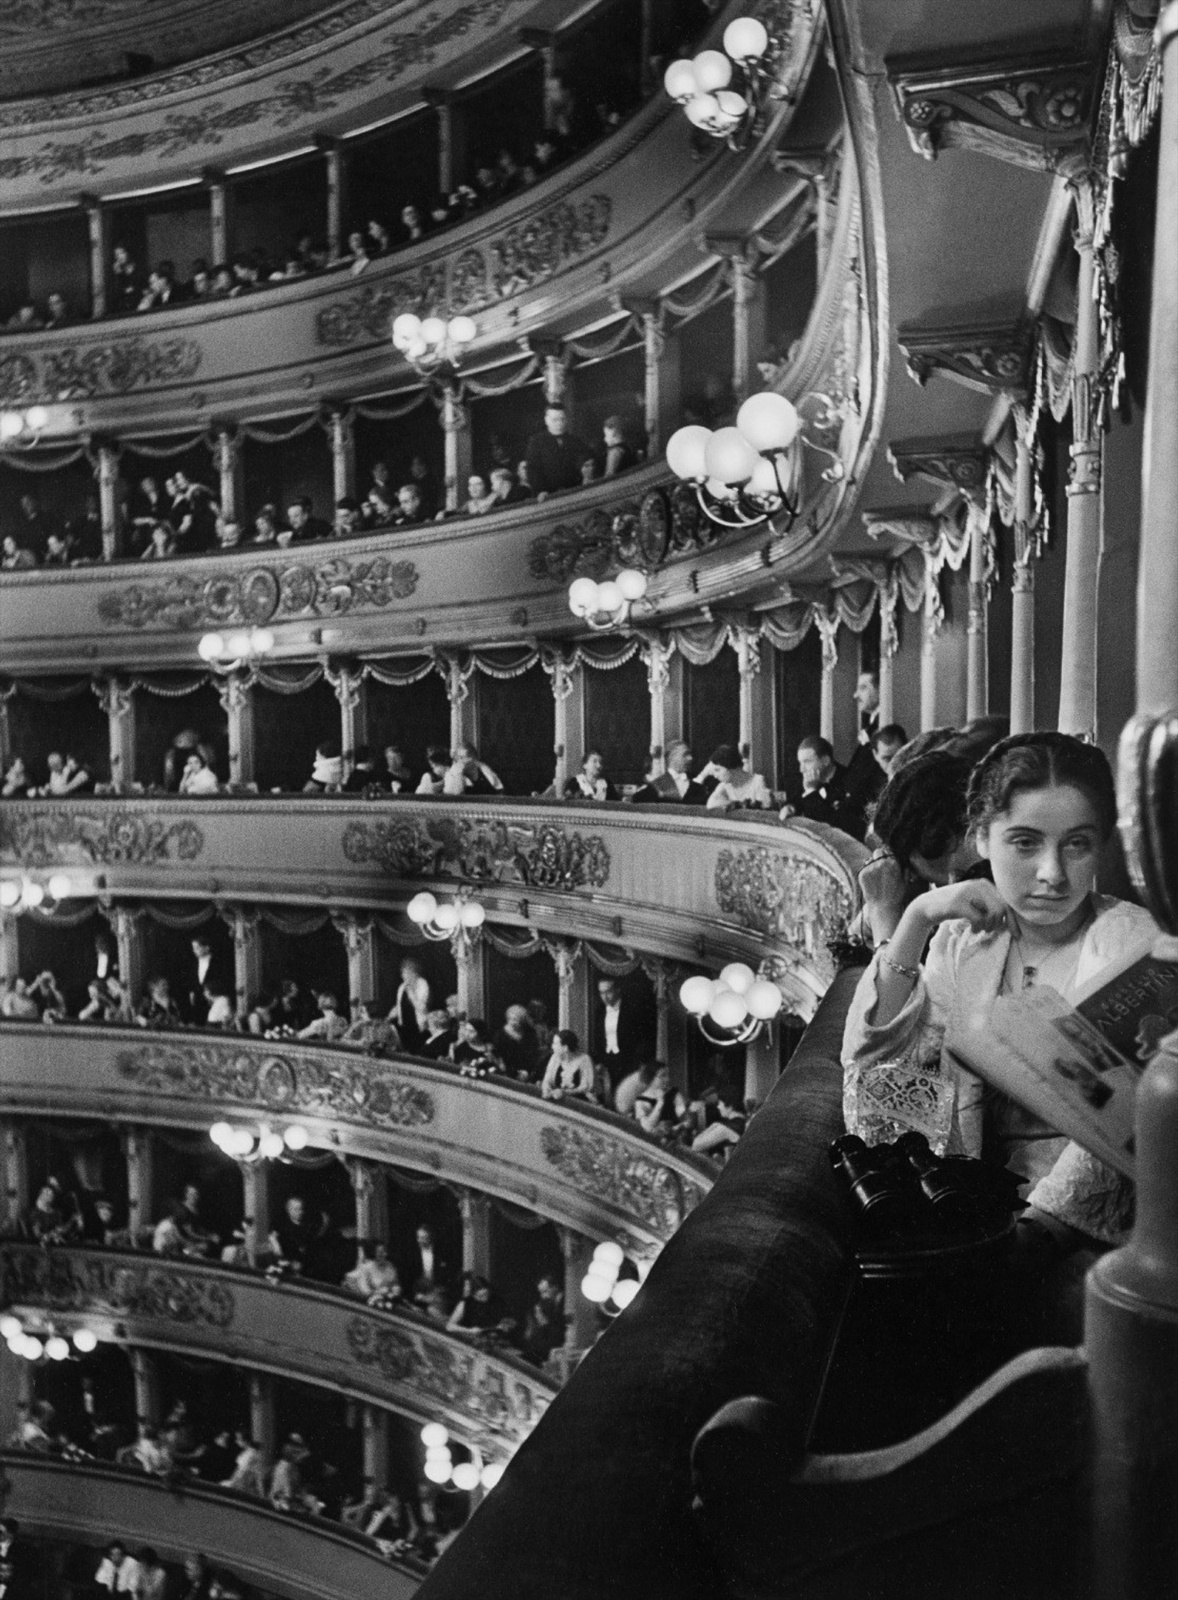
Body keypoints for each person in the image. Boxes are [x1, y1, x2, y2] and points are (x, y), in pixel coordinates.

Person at [842, 733, 1159, 1252]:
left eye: (1077, 844)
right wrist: (918, 920)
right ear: (983, 838)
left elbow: (1127, 1136)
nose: (1052, 875)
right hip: (977, 1219)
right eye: (1025, 842)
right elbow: (878, 1091)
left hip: (1094, 1236)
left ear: (1101, 842)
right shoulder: (963, 942)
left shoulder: (1137, 945)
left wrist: (1035, 1234)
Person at [780, 736, 859, 835]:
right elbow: (795, 800)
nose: (801, 769)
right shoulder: (802, 779)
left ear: (826, 760)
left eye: (807, 762)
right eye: (800, 762)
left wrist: (811, 791)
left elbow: (834, 825)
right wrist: (791, 807)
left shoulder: (850, 782)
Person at [594, 977, 653, 1093]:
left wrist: (638, 1063)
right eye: (601, 993)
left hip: (630, 1063)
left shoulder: (633, 1009)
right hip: (607, 1063)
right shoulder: (600, 1011)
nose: (605, 997)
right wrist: (599, 1061)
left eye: (608, 992)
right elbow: (598, 1039)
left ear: (617, 990)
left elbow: (645, 1038)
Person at [524, 404, 595, 498]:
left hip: (574, 493)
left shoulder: (575, 441)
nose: (559, 423)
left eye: (562, 419)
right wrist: (540, 491)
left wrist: (586, 475)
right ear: (547, 420)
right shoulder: (536, 441)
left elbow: (585, 461)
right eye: (555, 420)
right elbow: (532, 469)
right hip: (547, 496)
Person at [629, 740, 710, 805]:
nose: (690, 758)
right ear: (672, 757)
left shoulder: (699, 782)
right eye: (685, 754)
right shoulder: (657, 785)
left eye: (690, 754)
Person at [517, 1273, 567, 1366]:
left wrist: (545, 1324)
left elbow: (559, 1332)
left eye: (545, 1291)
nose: (543, 1296)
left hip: (559, 1348)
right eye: (541, 1293)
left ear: (555, 1288)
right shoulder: (546, 1303)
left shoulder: (566, 1302)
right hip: (544, 1345)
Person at [705, 744, 772, 811]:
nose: (715, 776)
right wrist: (735, 804)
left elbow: (765, 806)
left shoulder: (758, 780)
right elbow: (710, 804)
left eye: (717, 770)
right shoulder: (724, 785)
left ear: (730, 765)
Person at [633, 1063, 688, 1139]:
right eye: (662, 1076)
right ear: (651, 1078)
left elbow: (685, 1120)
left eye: (667, 1075)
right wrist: (660, 1102)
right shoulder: (641, 1101)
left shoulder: (674, 1094)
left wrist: (675, 1128)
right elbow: (647, 1127)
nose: (667, 1079)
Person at [540, 1029, 597, 1101]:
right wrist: (546, 1088)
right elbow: (547, 1081)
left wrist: (565, 1092)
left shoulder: (584, 1059)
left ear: (565, 1048)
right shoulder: (555, 1058)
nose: (552, 1046)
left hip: (580, 1103)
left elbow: (586, 1088)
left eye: (555, 1044)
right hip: (559, 1102)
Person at [494, 1004, 541, 1081]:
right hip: (506, 1073)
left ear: (522, 1021)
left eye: (515, 1019)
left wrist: (527, 1072)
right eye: (510, 1019)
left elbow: (534, 1054)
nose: (512, 1022)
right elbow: (497, 1055)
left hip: (526, 1073)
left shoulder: (529, 1034)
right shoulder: (500, 1035)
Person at [394, 958, 431, 1051]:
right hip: (404, 1025)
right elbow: (399, 1005)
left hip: (418, 1026)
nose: (402, 975)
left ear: (413, 972)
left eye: (405, 972)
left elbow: (422, 1008)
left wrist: (411, 992)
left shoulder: (422, 984)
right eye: (402, 973)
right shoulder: (402, 986)